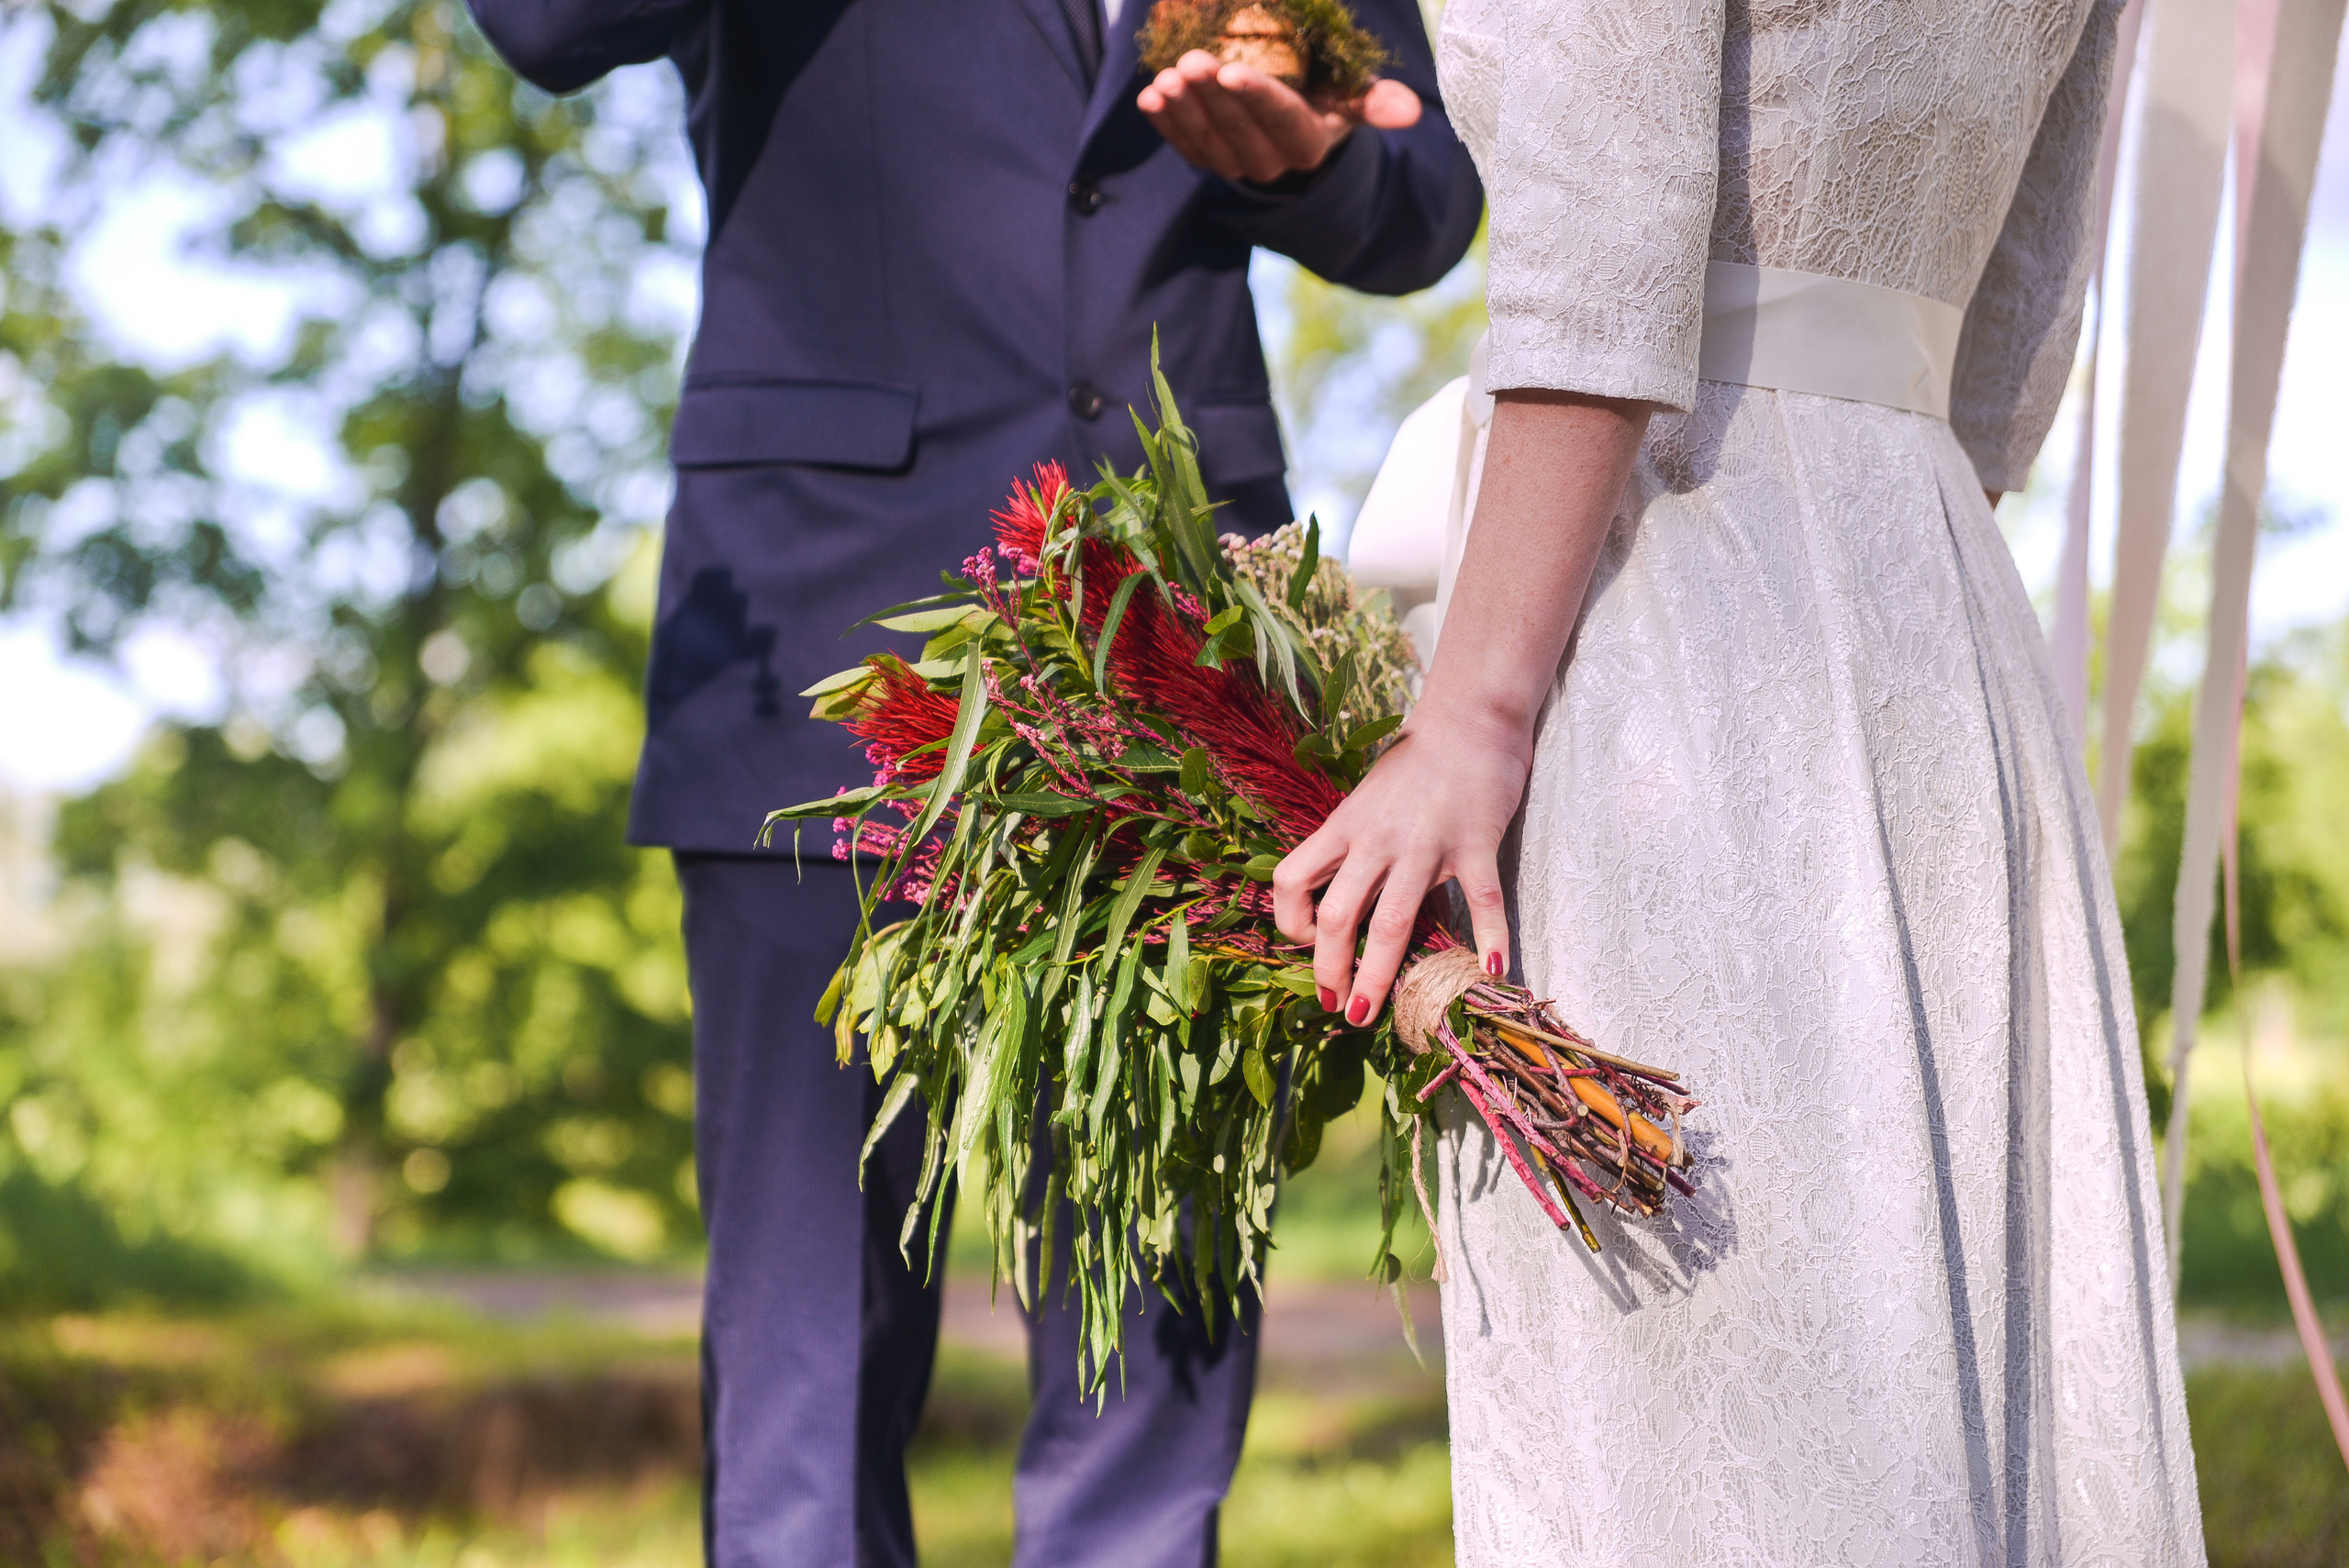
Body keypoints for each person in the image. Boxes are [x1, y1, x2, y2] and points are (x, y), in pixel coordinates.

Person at [458, 1, 1480, 1564]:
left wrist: (1315, 157)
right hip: (822, 663)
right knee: (813, 1365)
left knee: (1157, 1349)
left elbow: (1424, 198)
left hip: (1176, 668)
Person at [1276, 0, 2207, 1560]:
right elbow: (2018, 333)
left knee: (1712, 1388)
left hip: (1678, 606)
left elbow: (1605, 231)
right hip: (1935, 599)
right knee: (1946, 1335)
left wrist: (1476, 708)